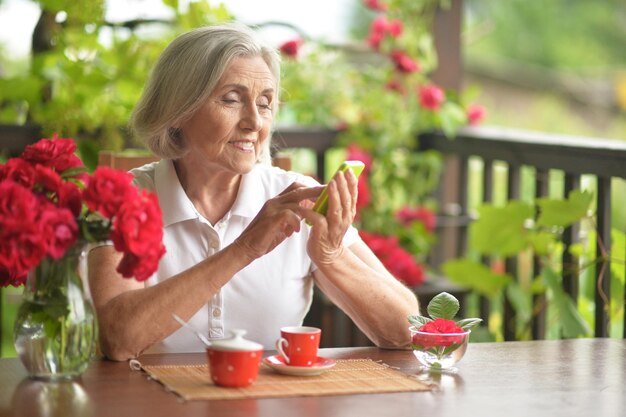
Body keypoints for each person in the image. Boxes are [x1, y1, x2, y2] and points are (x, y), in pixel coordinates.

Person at [88, 23, 420, 361]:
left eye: (264, 104)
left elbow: (406, 331)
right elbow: (119, 340)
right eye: (231, 100)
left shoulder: (297, 197)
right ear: (177, 112)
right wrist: (244, 249)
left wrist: (332, 257)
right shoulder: (123, 200)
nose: (255, 122)